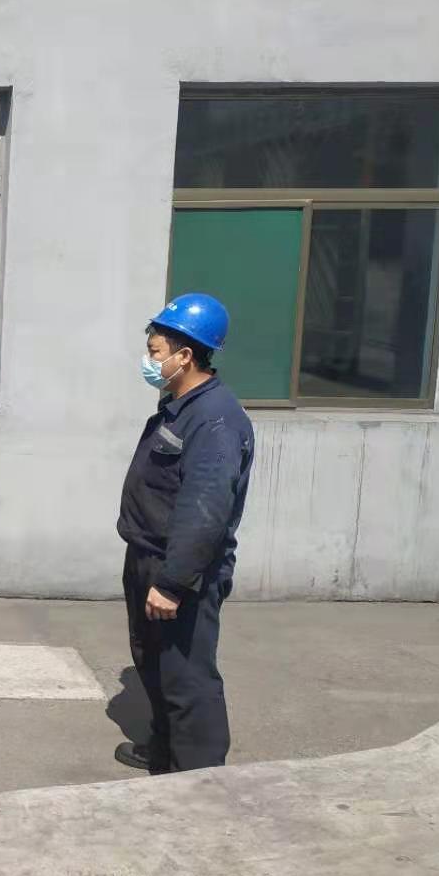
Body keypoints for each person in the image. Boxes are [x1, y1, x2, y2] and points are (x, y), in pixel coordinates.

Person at [116, 292, 255, 774]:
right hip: (149, 557)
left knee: (187, 676)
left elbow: (206, 510)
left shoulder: (214, 420)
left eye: (155, 352)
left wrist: (173, 582)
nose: (149, 360)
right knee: (154, 663)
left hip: (181, 571)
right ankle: (164, 749)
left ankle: (199, 778)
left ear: (185, 356)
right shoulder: (181, 406)